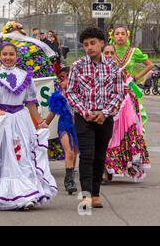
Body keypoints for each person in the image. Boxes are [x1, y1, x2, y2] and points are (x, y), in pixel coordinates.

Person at [0, 42, 57, 210]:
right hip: (1, 119)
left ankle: (27, 193)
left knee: (22, 155)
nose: (8, 57)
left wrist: (40, 121)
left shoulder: (25, 76)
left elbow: (30, 102)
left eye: (11, 54)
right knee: (2, 156)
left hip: (21, 120)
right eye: (5, 54)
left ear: (16, 57)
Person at [66, 27, 124, 209]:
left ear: (102, 43)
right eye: (85, 45)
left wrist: (104, 113)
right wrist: (85, 112)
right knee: (87, 155)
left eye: (93, 43)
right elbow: (71, 92)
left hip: (105, 118)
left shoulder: (113, 66)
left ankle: (96, 194)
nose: (89, 47)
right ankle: (86, 195)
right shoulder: (77, 66)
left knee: (100, 156)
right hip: (85, 118)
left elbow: (119, 92)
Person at [103, 29, 152, 181]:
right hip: (110, 97)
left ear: (127, 36)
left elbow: (149, 65)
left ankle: (126, 164)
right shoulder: (108, 51)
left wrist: (137, 76)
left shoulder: (133, 51)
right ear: (112, 36)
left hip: (128, 98)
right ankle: (107, 168)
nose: (120, 36)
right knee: (109, 133)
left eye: (122, 34)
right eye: (117, 34)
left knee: (127, 132)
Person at [45, 67, 79, 194]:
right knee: (69, 152)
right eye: (60, 79)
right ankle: (69, 182)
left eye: (64, 79)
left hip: (77, 125)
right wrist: (43, 124)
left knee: (75, 152)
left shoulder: (79, 93)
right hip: (64, 125)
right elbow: (52, 113)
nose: (61, 82)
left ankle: (70, 175)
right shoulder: (58, 96)